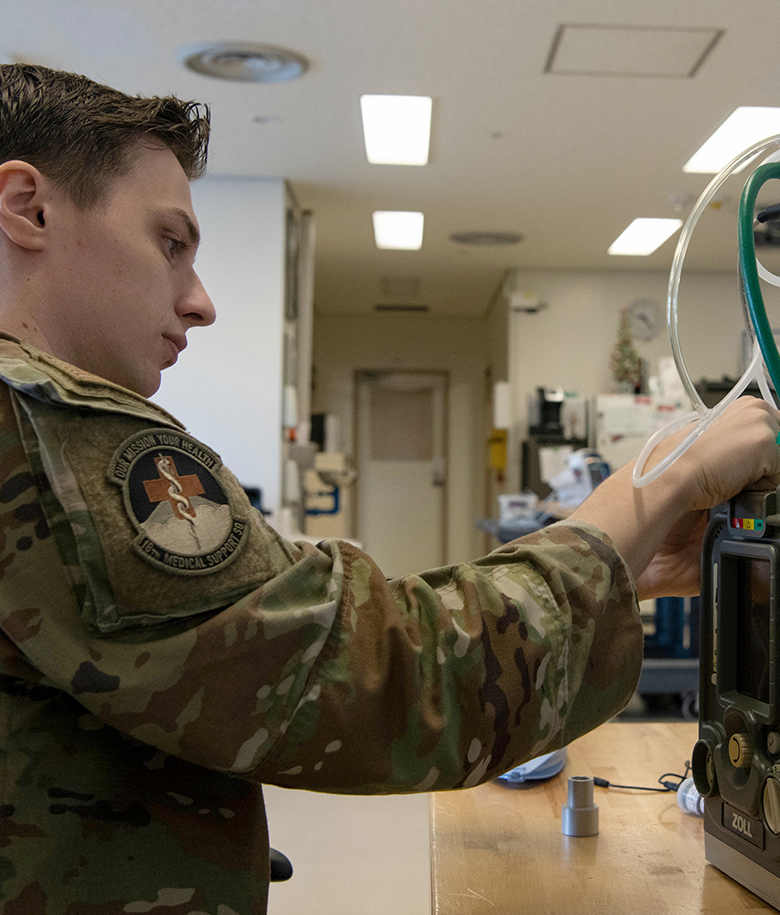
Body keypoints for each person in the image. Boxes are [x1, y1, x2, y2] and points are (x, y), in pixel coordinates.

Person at [0, 64, 778, 915]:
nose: (201, 301)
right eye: (170, 242)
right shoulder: (52, 435)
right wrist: (654, 482)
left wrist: (620, 561)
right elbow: (396, 676)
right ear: (29, 208)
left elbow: (297, 609)